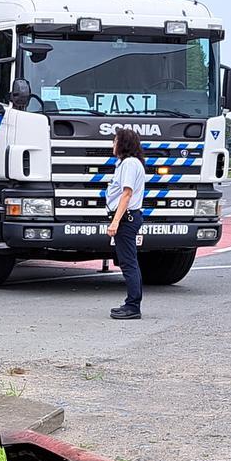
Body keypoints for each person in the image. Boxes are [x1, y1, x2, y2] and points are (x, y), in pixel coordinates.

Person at [104, 127, 148, 320]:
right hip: (129, 217)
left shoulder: (130, 164)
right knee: (130, 261)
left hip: (126, 218)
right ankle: (132, 303)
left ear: (124, 144)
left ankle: (132, 306)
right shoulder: (127, 163)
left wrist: (115, 221)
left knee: (128, 262)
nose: (112, 144)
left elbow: (126, 193)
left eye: (115, 141)